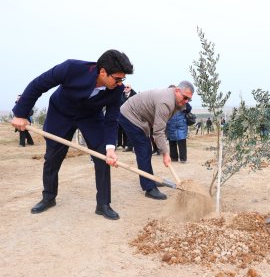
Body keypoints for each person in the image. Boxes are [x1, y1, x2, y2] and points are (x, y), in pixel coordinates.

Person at [11, 49, 134, 220]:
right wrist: (21, 114)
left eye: (123, 79)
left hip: (91, 116)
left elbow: (111, 120)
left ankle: (103, 204)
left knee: (102, 156)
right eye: (118, 78)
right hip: (61, 112)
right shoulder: (71, 68)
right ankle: (49, 196)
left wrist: (111, 147)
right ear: (103, 71)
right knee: (53, 156)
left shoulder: (116, 90)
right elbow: (38, 85)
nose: (120, 83)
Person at [117, 81, 195, 200]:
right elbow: (158, 132)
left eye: (189, 99)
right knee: (144, 149)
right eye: (185, 97)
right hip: (130, 116)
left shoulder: (175, 100)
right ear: (177, 91)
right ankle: (149, 188)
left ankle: (150, 179)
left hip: (140, 118)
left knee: (146, 149)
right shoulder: (166, 102)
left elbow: (160, 125)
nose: (186, 101)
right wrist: (165, 153)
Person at [118, 84, 136, 152]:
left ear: (130, 88)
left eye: (127, 87)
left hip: (131, 115)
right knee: (122, 131)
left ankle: (131, 146)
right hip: (122, 115)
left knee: (130, 131)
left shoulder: (134, 95)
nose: (125, 88)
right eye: (125, 87)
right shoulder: (120, 95)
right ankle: (127, 145)